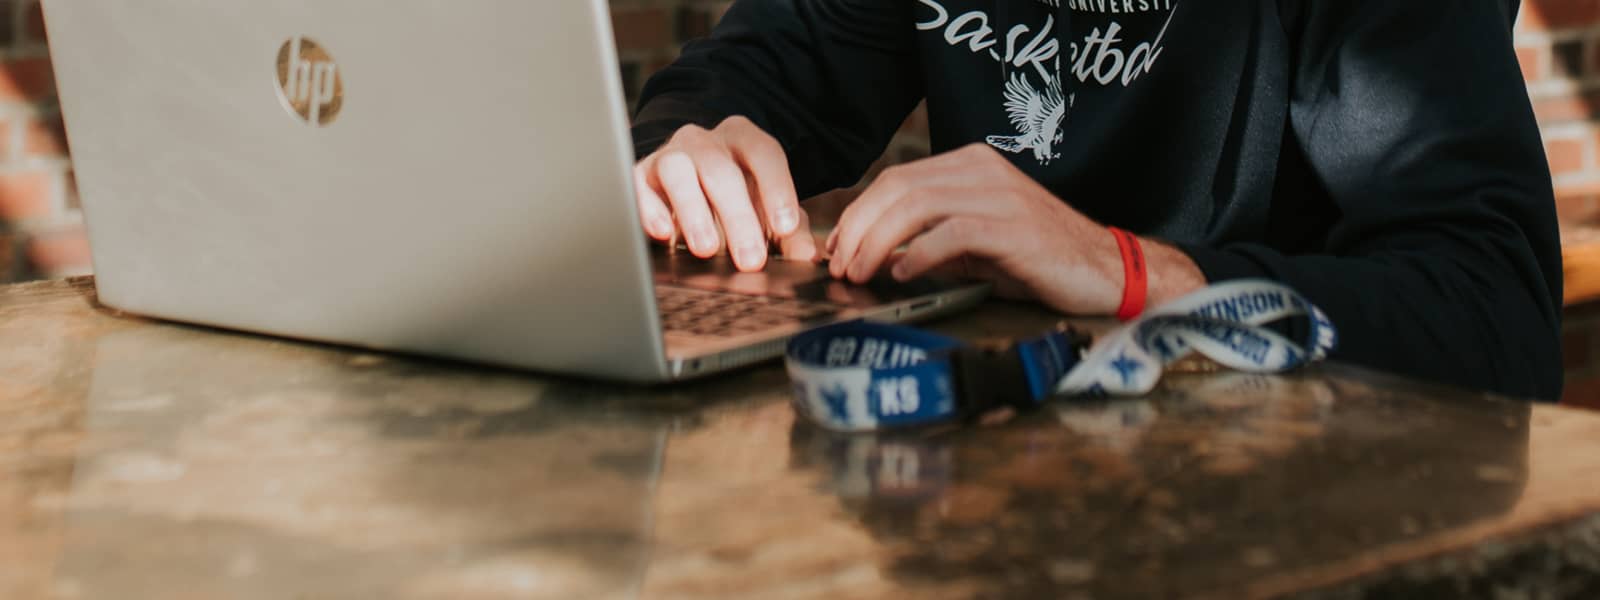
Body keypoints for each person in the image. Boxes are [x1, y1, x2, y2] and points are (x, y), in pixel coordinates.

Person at [627, 1, 1563, 400]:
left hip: (1291, 506)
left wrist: (1130, 272)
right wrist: (687, 149)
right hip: (998, 488)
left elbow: (1495, 316)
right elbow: (758, 69)